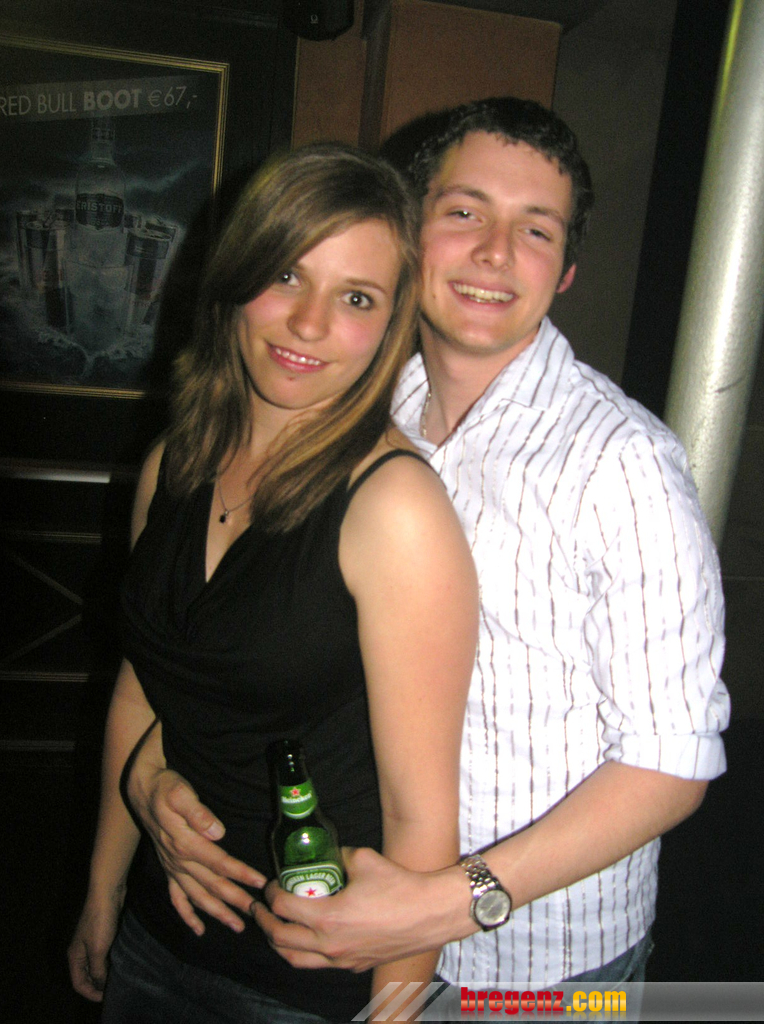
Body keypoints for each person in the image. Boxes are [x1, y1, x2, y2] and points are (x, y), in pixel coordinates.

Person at [120, 98, 730, 996]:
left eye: (536, 230)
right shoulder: (364, 403)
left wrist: (444, 904)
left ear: (566, 271)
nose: (495, 253)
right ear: (411, 236)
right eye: (465, 212)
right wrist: (152, 765)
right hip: (346, 931)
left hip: (538, 965)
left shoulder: (621, 462)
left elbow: (672, 763)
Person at [67, 142, 479, 1023]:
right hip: (158, 931)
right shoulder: (174, 462)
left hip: (307, 979)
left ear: (391, 327)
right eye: (287, 274)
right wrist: (103, 890)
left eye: (357, 298)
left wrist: (392, 1011)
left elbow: (419, 823)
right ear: (238, 274)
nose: (308, 323)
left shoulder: (394, 508)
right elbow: (142, 687)